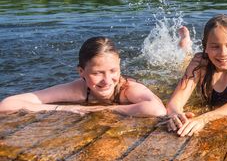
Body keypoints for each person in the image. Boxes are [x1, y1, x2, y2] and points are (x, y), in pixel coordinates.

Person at [0, 36, 166, 117]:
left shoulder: (127, 89)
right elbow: (7, 104)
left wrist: (101, 109)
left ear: (120, 65)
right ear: (81, 72)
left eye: (113, 71)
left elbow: (158, 109)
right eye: (97, 73)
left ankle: (184, 46)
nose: (107, 81)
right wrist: (64, 108)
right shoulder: (78, 89)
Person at [166, 14, 227, 137]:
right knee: (183, 65)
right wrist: (176, 115)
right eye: (215, 46)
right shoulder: (200, 63)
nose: (223, 53)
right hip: (202, 61)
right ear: (206, 47)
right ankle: (185, 44)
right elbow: (174, 102)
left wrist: (203, 118)